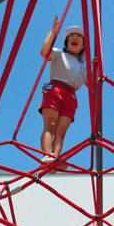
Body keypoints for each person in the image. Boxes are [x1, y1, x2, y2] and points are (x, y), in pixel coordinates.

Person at [38, 16, 87, 165]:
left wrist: (96, 66)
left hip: (71, 95)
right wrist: (52, 32)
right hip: (56, 89)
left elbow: (92, 84)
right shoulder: (59, 54)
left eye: (78, 37)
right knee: (51, 125)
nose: (74, 38)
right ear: (66, 43)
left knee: (61, 131)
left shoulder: (82, 66)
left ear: (83, 45)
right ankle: (46, 155)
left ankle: (55, 158)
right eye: (71, 36)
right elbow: (44, 52)